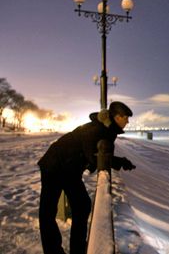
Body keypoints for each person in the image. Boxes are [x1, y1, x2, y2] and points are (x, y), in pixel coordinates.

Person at [38, 101, 136, 254]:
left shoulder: (107, 129)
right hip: (54, 165)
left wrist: (119, 161)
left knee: (82, 206)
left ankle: (77, 248)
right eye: (126, 118)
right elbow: (94, 157)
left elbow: (99, 155)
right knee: (47, 212)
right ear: (117, 117)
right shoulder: (97, 129)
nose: (127, 121)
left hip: (69, 168)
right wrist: (120, 162)